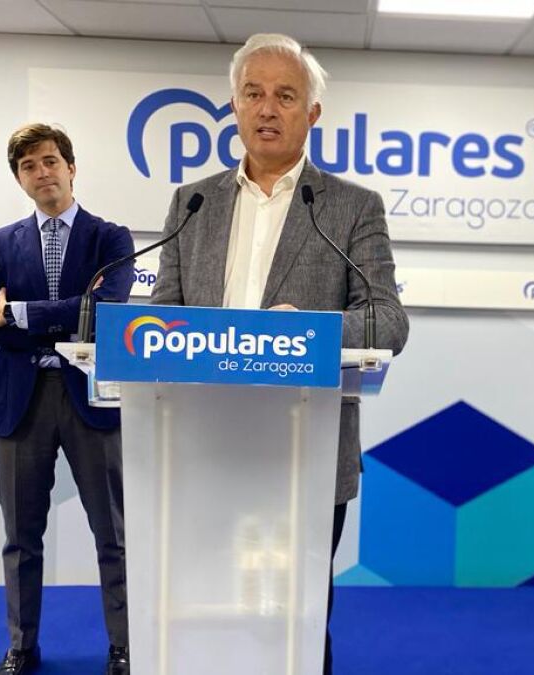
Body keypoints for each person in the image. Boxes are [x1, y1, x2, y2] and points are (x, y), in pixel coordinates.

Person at [149, 33, 408, 674]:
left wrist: (309, 332)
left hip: (305, 449)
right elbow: (160, 320)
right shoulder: (193, 201)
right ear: (234, 106)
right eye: (253, 93)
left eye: (286, 96)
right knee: (204, 607)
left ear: (311, 113)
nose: (267, 108)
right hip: (200, 444)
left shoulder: (351, 207)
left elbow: (388, 321)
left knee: (296, 617)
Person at [0, 123, 135, 675]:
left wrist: (15, 312)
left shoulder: (111, 239)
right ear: (19, 179)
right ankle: (22, 647)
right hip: (20, 404)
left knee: (113, 535)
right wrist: (63, 316)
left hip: (91, 400)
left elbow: (104, 315)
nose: (42, 173)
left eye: (50, 161)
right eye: (28, 166)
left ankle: (124, 646)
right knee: (20, 538)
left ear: (71, 167)